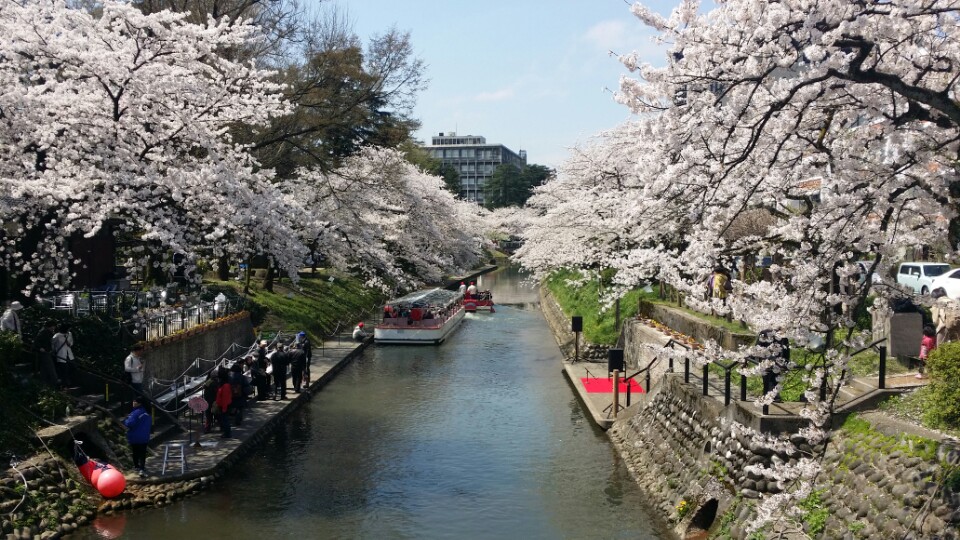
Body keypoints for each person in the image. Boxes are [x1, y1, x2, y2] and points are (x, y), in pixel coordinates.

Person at [123, 396, 152, 477]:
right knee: (142, 453)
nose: (133, 403)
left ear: (139, 403)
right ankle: (142, 468)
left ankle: (137, 467)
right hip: (144, 436)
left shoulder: (135, 413)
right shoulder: (147, 412)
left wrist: (126, 419)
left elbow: (129, 423)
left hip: (134, 436)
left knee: (135, 452)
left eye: (135, 401)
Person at [33, 321, 58, 387]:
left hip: (47, 351)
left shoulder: (48, 332)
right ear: (50, 326)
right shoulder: (43, 332)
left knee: (44, 368)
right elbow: (36, 342)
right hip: (45, 352)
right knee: (50, 366)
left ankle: (44, 382)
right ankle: (54, 381)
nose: (54, 328)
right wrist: (40, 348)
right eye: (53, 326)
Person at [51, 323, 75, 389]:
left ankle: (69, 382)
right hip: (61, 354)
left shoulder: (69, 334)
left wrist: (69, 343)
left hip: (69, 354)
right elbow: (53, 344)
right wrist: (54, 350)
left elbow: (71, 343)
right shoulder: (57, 335)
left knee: (72, 367)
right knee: (63, 370)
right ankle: (64, 384)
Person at [215, 366, 232, 437]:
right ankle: (226, 432)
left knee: (225, 420)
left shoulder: (225, 386)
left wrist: (224, 408)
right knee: (224, 419)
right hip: (222, 405)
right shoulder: (224, 384)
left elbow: (225, 397)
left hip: (224, 405)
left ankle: (227, 433)